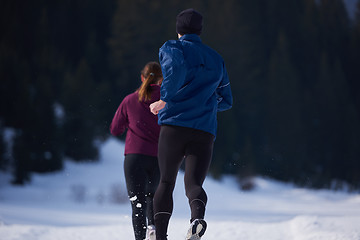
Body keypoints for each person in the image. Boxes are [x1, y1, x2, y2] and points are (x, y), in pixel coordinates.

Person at [150, 8, 233, 240]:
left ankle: (161, 236)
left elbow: (175, 69)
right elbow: (227, 100)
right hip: (204, 130)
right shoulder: (216, 58)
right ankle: (197, 219)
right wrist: (203, 102)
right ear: (200, 30)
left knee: (166, 181)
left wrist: (165, 99)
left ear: (178, 30)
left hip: (174, 127)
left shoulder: (172, 47)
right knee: (194, 183)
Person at [110, 61, 163, 240]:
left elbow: (115, 129)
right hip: (159, 158)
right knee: (154, 197)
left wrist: (131, 122)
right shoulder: (166, 101)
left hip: (134, 157)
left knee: (137, 204)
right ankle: (154, 227)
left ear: (142, 77)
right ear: (162, 80)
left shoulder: (130, 100)